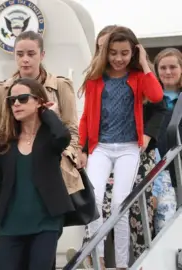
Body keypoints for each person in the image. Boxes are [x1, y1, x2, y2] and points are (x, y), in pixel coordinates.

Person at [0, 31, 80, 269]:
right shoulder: (3, 90)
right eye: (20, 54)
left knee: (43, 252)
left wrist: (68, 154)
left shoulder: (61, 86)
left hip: (54, 170)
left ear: (42, 55)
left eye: (31, 54)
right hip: (15, 172)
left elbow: (71, 129)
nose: (25, 59)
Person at [0, 78, 74, 270]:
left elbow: (63, 137)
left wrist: (49, 113)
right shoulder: (3, 143)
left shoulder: (50, 138)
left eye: (23, 98)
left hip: (46, 222)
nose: (16, 104)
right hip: (11, 225)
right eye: (12, 100)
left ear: (38, 101)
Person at [78, 25, 166, 266]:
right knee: (93, 199)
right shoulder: (96, 79)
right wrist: (82, 149)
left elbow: (157, 97)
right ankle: (98, 256)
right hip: (101, 147)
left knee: (120, 204)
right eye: (113, 52)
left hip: (128, 147)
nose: (118, 58)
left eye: (125, 53)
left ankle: (122, 264)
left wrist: (145, 64)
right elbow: (86, 116)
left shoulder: (138, 77)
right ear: (105, 52)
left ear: (134, 53)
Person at [151, 48, 181, 234]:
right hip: (161, 173)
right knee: (165, 227)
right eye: (163, 67)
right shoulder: (151, 101)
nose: (168, 72)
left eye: (173, 67)